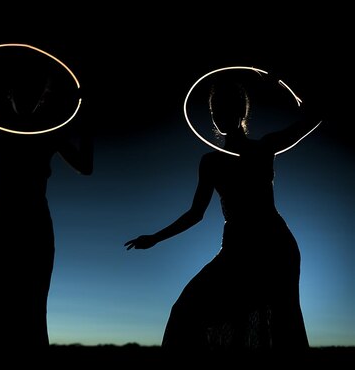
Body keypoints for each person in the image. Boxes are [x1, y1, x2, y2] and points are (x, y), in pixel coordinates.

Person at [124, 76, 321, 350]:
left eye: (226, 109)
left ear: (241, 112)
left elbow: (314, 117)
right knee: (185, 310)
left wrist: (287, 83)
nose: (219, 116)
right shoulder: (211, 162)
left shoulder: (264, 147)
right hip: (236, 248)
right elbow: (196, 213)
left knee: (282, 322)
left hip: (274, 246)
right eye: (215, 111)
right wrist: (156, 237)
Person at [0, 66, 93, 347]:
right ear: (11, 94)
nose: (27, 99)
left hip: (33, 225)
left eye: (33, 93)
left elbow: (85, 167)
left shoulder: (48, 134)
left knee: (31, 299)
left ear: (41, 96)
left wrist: (87, 120)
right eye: (21, 92)